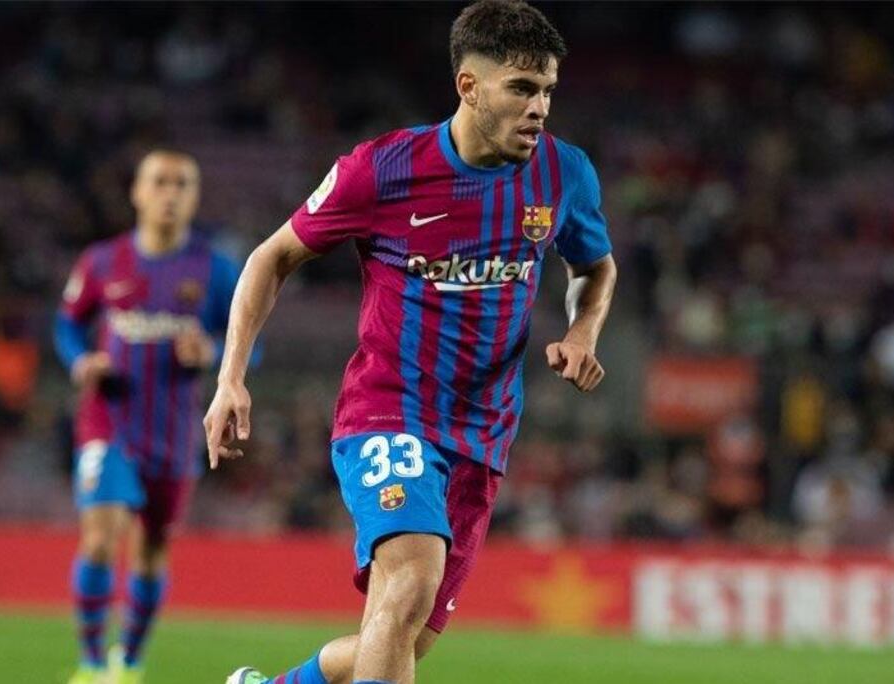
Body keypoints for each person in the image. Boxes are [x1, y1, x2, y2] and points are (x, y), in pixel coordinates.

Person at [204, 2, 617, 683]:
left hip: (483, 434)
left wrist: (582, 329)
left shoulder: (563, 173)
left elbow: (595, 267)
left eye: (547, 90)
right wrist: (230, 378)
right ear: (469, 86)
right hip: (389, 411)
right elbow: (270, 257)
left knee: (403, 634)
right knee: (410, 581)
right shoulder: (383, 168)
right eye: (521, 88)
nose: (539, 107)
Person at [54, 149, 242, 684]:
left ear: (195, 197)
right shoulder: (102, 261)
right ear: (137, 192)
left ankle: (129, 662)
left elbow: (250, 342)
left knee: (153, 546)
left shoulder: (215, 269)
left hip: (174, 431)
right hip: (109, 420)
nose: (170, 193)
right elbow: (67, 324)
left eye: (182, 184)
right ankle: (92, 664)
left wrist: (212, 352)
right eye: (159, 182)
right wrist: (80, 361)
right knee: (101, 533)